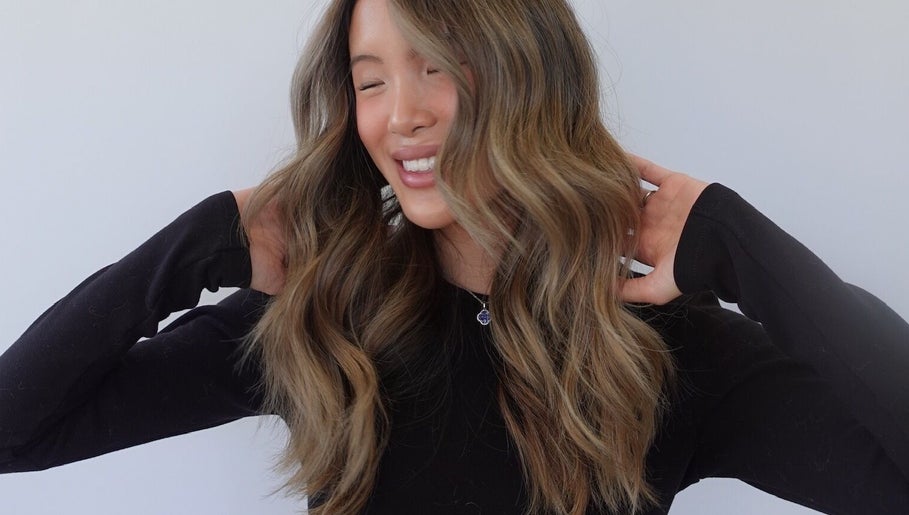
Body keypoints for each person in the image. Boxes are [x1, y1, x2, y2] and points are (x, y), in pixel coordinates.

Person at [1, 0, 907, 513]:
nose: (403, 113)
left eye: (438, 63)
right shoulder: (324, 323)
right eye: (370, 80)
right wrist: (195, 246)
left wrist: (738, 247)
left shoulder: (662, 347)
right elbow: (14, 431)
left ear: (527, 75)